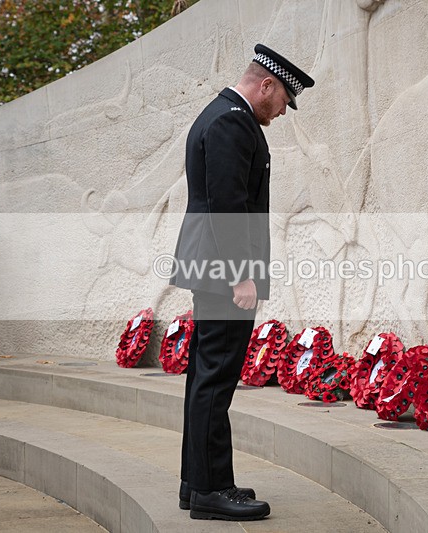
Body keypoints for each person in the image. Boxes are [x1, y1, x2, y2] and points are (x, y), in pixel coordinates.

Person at [169, 44, 314, 522]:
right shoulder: (233, 120)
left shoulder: (220, 112)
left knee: (205, 374)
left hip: (210, 267)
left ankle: (199, 482)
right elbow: (227, 203)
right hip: (223, 271)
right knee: (216, 377)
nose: (282, 112)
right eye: (283, 101)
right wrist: (241, 275)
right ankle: (213, 490)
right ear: (266, 85)